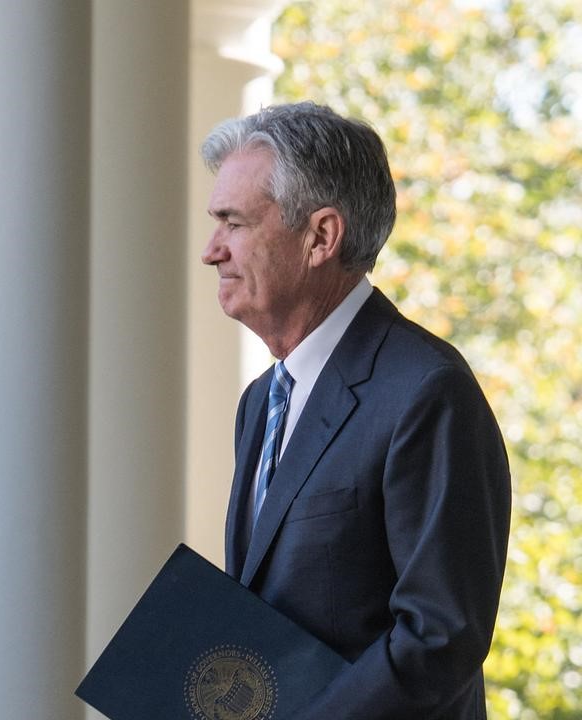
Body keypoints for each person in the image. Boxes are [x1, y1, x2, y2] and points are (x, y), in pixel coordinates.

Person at [199, 102, 511, 719]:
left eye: (234, 223)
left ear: (321, 236)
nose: (212, 251)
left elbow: (440, 636)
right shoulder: (260, 401)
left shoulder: (427, 391)